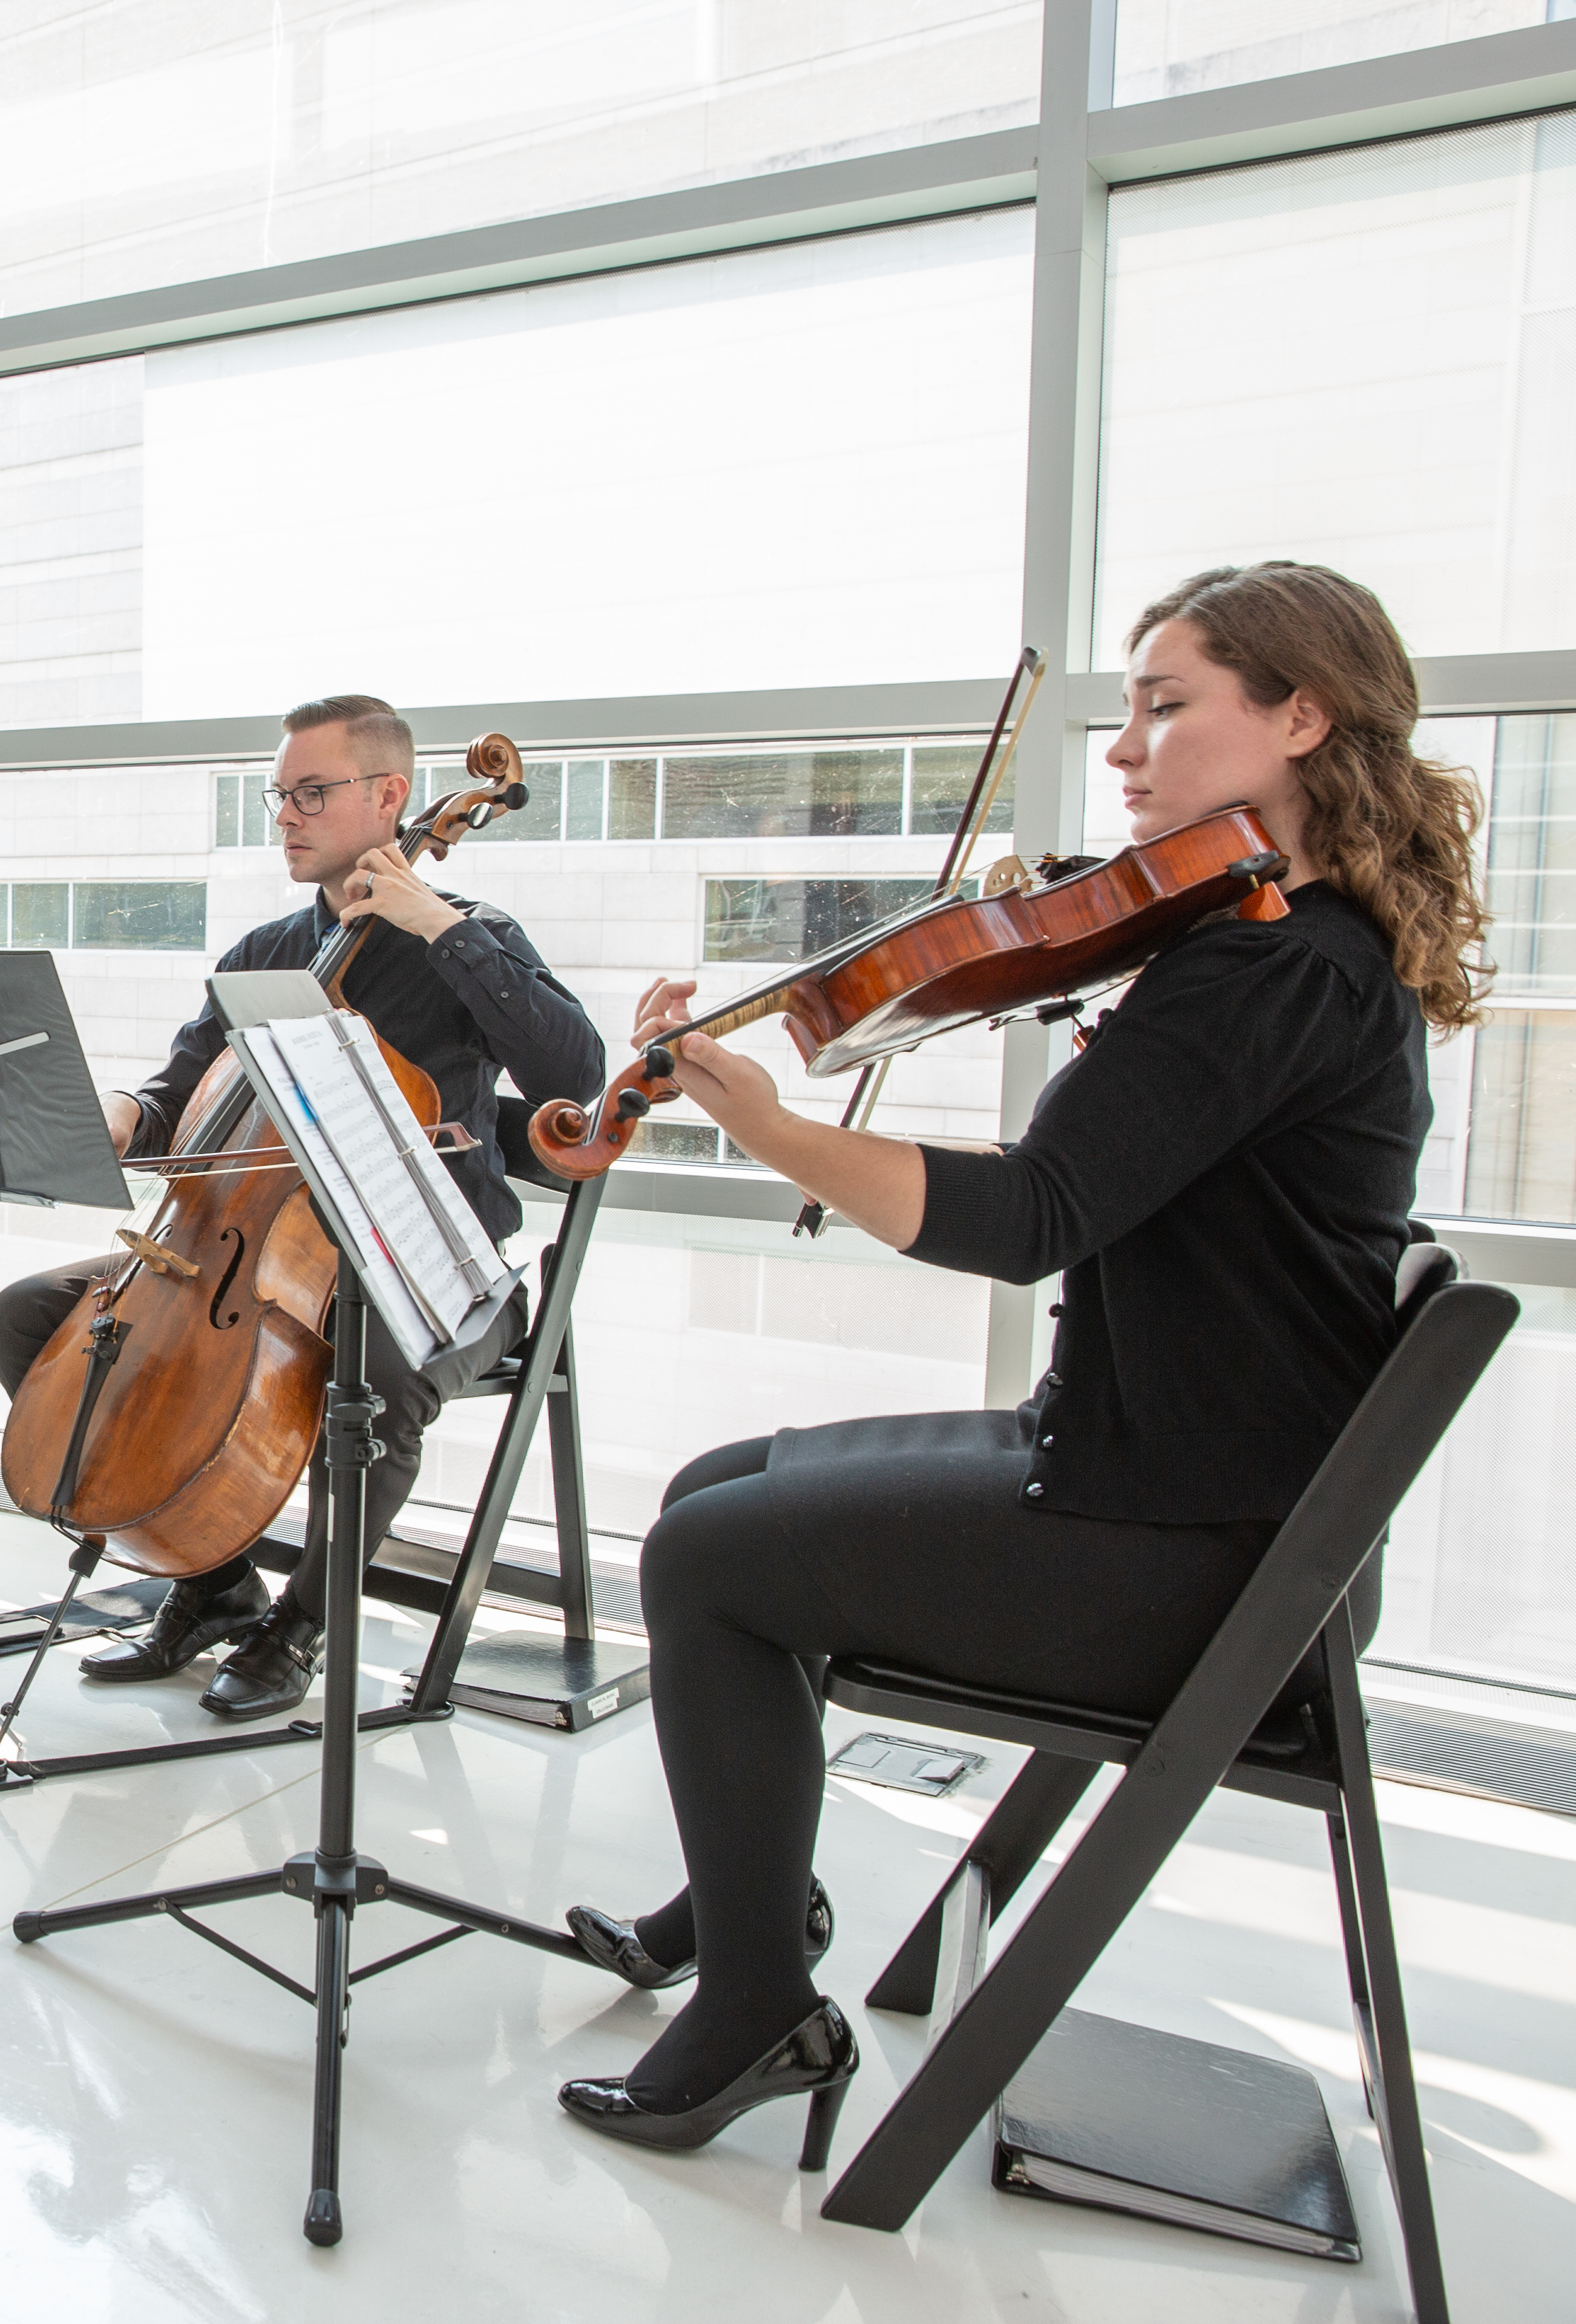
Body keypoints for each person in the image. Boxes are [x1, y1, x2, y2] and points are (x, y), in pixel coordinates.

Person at [551, 563, 1487, 2169]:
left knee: (704, 1560)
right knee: (719, 1489)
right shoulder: (1290, 947)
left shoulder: (1266, 970)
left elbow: (1033, 1216)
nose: (1125, 750)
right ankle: (745, 1895)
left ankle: (761, 2008)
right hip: (1195, 1488)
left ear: (1303, 718)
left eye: (1168, 704)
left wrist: (770, 1123)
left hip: (1192, 1558)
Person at [0, 695, 606, 1722]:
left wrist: (434, 923)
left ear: (391, 797)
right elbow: (180, 1097)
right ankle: (217, 1588)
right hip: (249, 1262)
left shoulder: (473, 939)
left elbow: (573, 1074)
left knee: (378, 1372)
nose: (288, 815)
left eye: (312, 792)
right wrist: (120, 1113)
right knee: (26, 1319)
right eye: (280, 796)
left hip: (436, 1271)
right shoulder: (267, 951)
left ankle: (304, 1623)